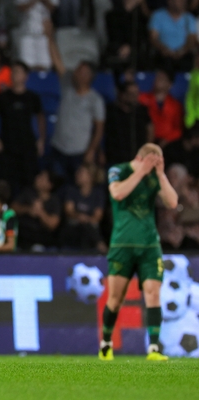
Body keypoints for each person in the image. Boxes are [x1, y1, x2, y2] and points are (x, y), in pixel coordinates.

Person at [99, 143, 178, 362]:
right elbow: (117, 193)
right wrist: (141, 172)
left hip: (150, 246)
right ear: (141, 158)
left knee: (153, 293)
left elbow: (172, 202)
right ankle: (106, 343)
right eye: (153, 162)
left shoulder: (154, 177)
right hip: (122, 245)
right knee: (115, 299)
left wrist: (161, 175)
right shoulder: (119, 170)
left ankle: (153, 348)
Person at [0, 62, 46, 193]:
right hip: (7, 147)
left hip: (27, 146)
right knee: (6, 184)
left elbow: (41, 118)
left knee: (29, 184)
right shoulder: (3, 97)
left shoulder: (32, 97)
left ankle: (26, 211)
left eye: (18, 72)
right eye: (12, 72)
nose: (14, 75)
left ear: (26, 76)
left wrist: (41, 139)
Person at [49, 46, 106, 183]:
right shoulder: (67, 85)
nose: (75, 72)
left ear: (88, 76)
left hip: (79, 151)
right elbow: (57, 63)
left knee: (76, 184)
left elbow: (99, 129)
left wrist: (91, 150)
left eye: (80, 70)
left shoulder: (95, 100)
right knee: (56, 183)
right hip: (58, 147)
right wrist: (50, 38)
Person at [14, 0, 59, 70]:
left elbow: (52, 8)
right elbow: (20, 7)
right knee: (26, 67)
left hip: (44, 33)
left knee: (45, 66)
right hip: (27, 33)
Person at [104, 81, 154, 168]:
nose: (135, 97)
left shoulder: (141, 110)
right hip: (115, 158)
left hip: (138, 158)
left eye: (136, 93)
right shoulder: (111, 111)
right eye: (131, 93)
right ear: (122, 94)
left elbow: (150, 129)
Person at [12, 169, 62, 250]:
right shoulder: (28, 192)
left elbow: (53, 225)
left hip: (41, 239)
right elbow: (13, 208)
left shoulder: (54, 201)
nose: (37, 178)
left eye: (42, 177)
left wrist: (40, 212)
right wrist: (28, 209)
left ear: (50, 185)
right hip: (22, 236)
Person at [60, 164, 106, 251]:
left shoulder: (98, 194)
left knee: (88, 228)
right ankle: (100, 244)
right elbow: (68, 210)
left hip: (90, 228)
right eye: (77, 172)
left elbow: (97, 216)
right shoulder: (72, 190)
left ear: (90, 177)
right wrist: (79, 216)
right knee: (83, 228)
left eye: (81, 173)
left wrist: (86, 219)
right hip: (73, 226)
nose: (77, 175)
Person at [148, 0, 196, 73]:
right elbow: (153, 38)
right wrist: (164, 49)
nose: (183, 2)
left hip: (183, 55)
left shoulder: (189, 18)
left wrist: (182, 51)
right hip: (163, 53)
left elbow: (191, 40)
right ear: (170, 1)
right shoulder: (158, 15)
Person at [138, 69, 184, 147]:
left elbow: (178, 129)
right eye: (157, 78)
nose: (158, 80)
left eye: (162, 78)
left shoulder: (176, 105)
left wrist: (167, 140)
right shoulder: (141, 99)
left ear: (170, 84)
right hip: (144, 140)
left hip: (168, 143)